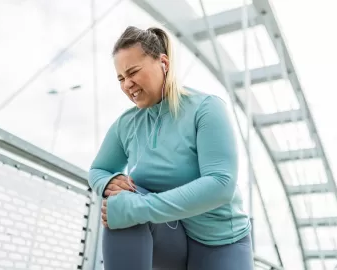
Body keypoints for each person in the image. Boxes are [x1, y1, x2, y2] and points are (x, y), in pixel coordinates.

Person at [88, 25, 254, 270]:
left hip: (220, 242)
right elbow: (98, 170)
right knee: (120, 205)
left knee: (129, 208)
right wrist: (108, 182)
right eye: (121, 78)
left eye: (133, 72)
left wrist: (140, 208)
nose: (127, 85)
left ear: (163, 62)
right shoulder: (126, 124)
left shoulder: (206, 108)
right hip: (170, 240)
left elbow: (221, 184)